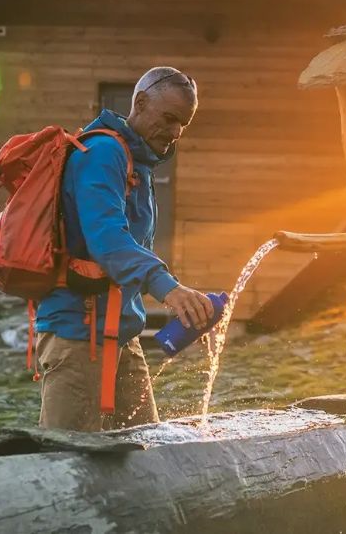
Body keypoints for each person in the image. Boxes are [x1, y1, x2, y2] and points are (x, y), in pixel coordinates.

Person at [34, 66, 214, 431]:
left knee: (142, 450)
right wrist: (169, 289)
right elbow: (108, 241)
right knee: (70, 463)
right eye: (169, 117)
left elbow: (130, 246)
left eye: (183, 123)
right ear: (141, 102)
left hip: (119, 334)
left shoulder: (139, 161)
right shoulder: (102, 154)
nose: (176, 131)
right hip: (77, 334)